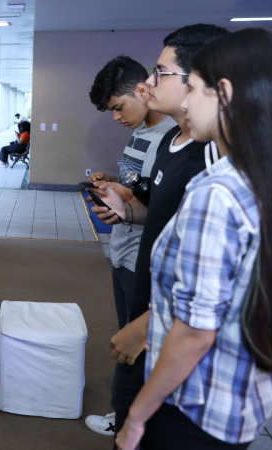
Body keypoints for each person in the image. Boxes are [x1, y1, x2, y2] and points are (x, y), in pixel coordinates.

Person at [115, 28, 272, 450]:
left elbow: (195, 332)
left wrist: (136, 418)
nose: (185, 102)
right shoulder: (266, 177)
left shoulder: (217, 192)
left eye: (192, 88)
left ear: (222, 91)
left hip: (193, 408)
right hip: (239, 403)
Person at [88, 24, 230, 442]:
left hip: (173, 324)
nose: (149, 85)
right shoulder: (172, 137)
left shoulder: (215, 167)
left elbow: (205, 297)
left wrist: (148, 325)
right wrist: (126, 206)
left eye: (160, 73)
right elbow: (159, 214)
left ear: (203, 83)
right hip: (154, 296)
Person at [83, 55, 176, 436]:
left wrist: (126, 201)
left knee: (142, 345)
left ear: (142, 89)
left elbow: (162, 205)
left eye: (119, 108)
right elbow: (139, 186)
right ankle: (126, 414)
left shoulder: (172, 138)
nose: (117, 117)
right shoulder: (141, 129)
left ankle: (134, 421)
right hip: (122, 251)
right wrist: (116, 185)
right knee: (127, 336)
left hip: (145, 258)